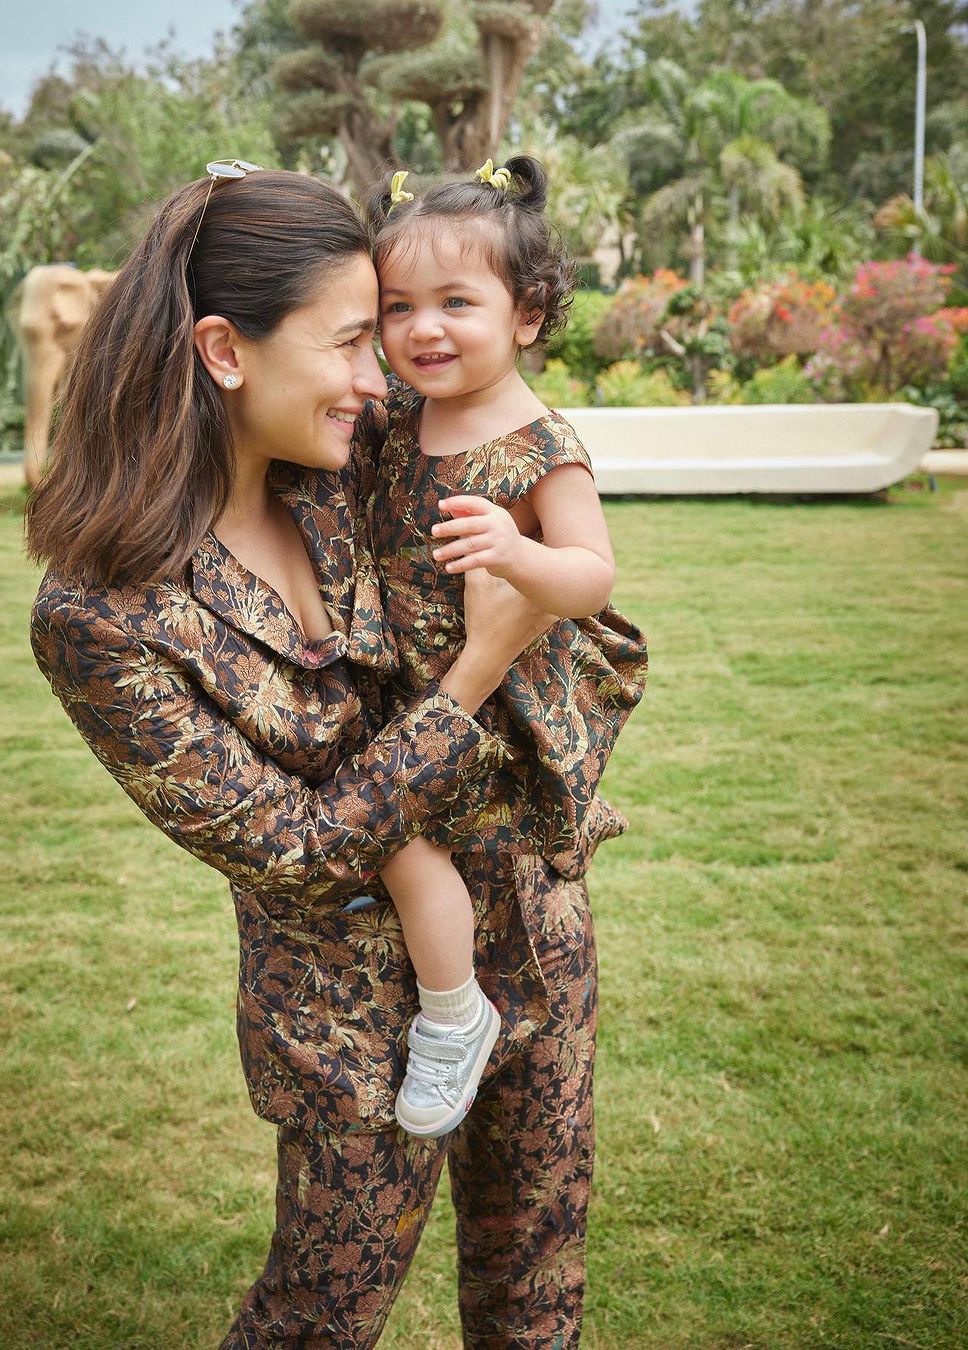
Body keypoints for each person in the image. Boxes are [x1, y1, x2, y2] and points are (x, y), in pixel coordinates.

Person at [25, 160, 610, 1347]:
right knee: (319, 1320)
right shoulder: (104, 618)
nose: (376, 374)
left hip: (534, 940)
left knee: (535, 1300)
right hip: (349, 1025)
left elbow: (538, 487)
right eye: (351, 341)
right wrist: (474, 673)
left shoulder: (360, 457)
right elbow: (295, 851)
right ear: (225, 354)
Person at [359, 156, 648, 1140]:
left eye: (454, 302)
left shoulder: (539, 444)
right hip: (419, 693)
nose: (422, 329)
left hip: (495, 704)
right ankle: (454, 1004)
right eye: (397, 307)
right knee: (397, 832)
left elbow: (593, 577)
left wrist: (521, 554)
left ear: (525, 314)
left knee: (402, 839)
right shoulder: (399, 422)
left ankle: (454, 1015)